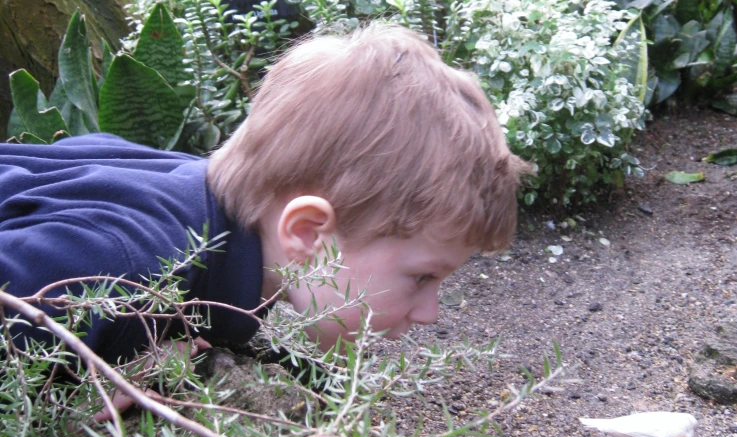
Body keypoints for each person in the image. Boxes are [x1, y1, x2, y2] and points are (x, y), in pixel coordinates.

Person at [0, 23, 528, 367]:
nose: (431, 312)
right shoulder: (121, 263)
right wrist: (85, 373)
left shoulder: (212, 214)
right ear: (305, 233)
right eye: (422, 277)